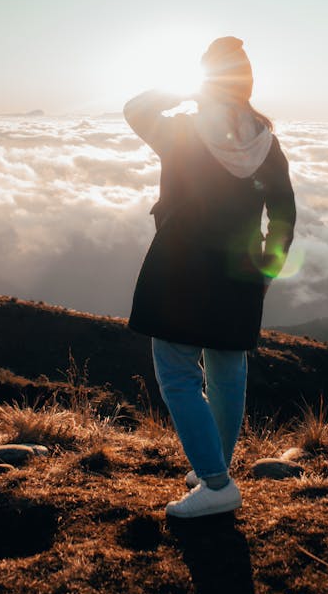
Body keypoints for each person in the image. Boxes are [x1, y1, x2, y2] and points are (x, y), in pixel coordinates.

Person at [123, 36, 296, 518]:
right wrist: (268, 268)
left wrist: (182, 90)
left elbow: (135, 109)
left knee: (177, 373)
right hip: (240, 274)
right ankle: (211, 468)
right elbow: (284, 214)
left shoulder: (183, 132)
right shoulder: (266, 142)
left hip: (180, 270)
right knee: (227, 372)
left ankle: (217, 484)